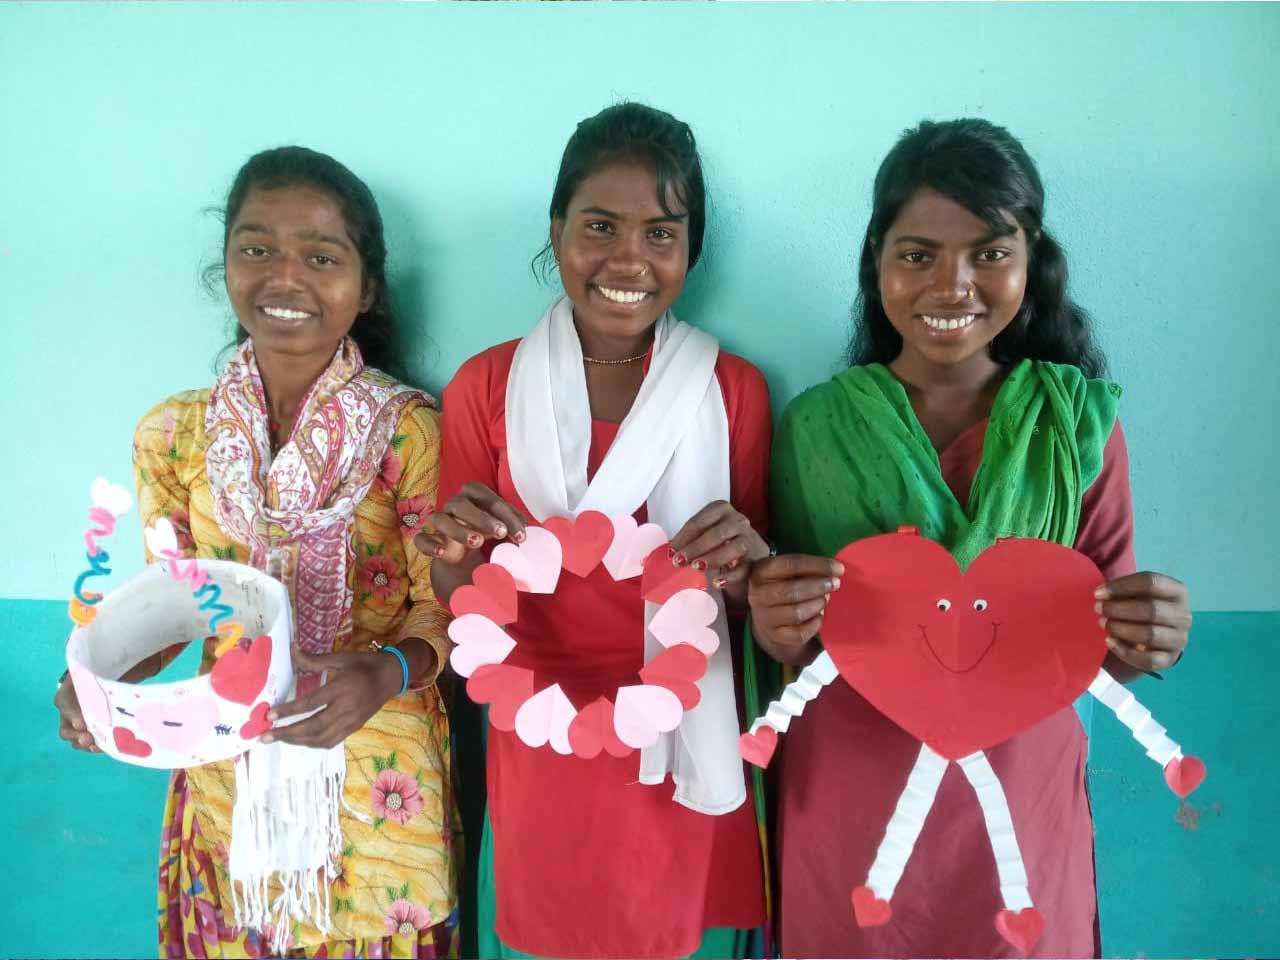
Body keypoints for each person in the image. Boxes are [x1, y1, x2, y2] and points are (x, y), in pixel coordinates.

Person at [747, 119, 1193, 958]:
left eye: (989, 253)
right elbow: (795, 645)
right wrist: (776, 625)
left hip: (1018, 810)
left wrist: (1153, 635)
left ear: (1032, 259)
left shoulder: (1077, 426)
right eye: (918, 254)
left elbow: (1106, 648)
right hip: (854, 805)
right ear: (877, 260)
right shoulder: (816, 427)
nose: (952, 285)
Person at [53, 146, 459, 959]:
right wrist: (101, 681)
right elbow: (174, 603)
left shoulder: (409, 431)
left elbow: (449, 609)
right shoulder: (174, 435)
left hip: (378, 777)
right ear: (226, 264)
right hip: (224, 768)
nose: (286, 278)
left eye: (322, 256)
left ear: (366, 286)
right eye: (257, 248)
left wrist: (387, 672)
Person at [421, 102, 769, 959]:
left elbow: (748, 601)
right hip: (539, 728)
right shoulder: (486, 386)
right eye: (600, 226)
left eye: (661, 233)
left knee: (673, 934)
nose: (628, 260)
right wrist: (453, 550)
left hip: (684, 730)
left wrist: (742, 561)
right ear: (558, 232)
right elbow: (460, 598)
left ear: (691, 249)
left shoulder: (730, 390)